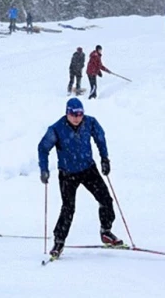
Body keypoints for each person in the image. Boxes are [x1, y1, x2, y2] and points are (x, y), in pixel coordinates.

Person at [38, 98, 122, 259]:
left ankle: (106, 231)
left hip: (88, 169)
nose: (77, 117)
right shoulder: (56, 129)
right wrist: (44, 169)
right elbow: (43, 148)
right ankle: (59, 241)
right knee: (68, 208)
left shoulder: (90, 122)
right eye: (73, 114)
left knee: (105, 199)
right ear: (67, 113)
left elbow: (100, 138)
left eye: (80, 114)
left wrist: (105, 159)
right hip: (67, 174)